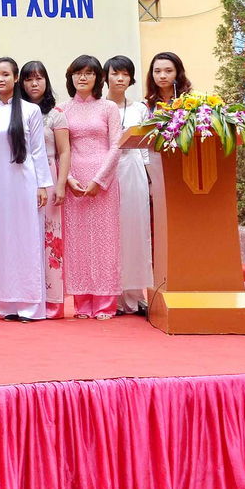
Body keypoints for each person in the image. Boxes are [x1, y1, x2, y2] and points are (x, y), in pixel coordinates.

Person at [0, 57, 53, 322]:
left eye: (5, 74)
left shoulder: (30, 110)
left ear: (15, 78)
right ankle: (8, 303)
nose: (0, 79)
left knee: (27, 239)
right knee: (4, 241)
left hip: (25, 181)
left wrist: (42, 185)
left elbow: (38, 151)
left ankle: (31, 305)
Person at [57, 55, 123, 321]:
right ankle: (82, 303)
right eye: (77, 73)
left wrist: (100, 180)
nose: (82, 78)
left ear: (98, 78)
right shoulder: (63, 109)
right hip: (74, 181)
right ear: (70, 77)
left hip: (103, 180)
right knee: (78, 242)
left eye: (88, 73)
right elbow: (61, 149)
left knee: (105, 240)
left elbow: (117, 145)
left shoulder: (109, 107)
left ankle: (105, 303)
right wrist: (68, 178)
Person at [21, 61, 70, 320]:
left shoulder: (55, 114)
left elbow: (65, 151)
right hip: (20, 176)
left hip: (48, 175)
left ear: (46, 82)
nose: (34, 83)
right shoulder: (15, 112)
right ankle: (27, 297)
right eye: (29, 79)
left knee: (51, 237)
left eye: (39, 78)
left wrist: (60, 184)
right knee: (26, 237)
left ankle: (52, 301)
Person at [105, 55, 152, 316]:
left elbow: (145, 149)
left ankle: (135, 295)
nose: (120, 78)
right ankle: (111, 295)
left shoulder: (140, 109)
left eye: (125, 74)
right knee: (111, 232)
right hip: (107, 171)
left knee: (135, 230)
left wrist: (151, 178)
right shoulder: (100, 107)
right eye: (115, 73)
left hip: (133, 169)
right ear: (106, 77)